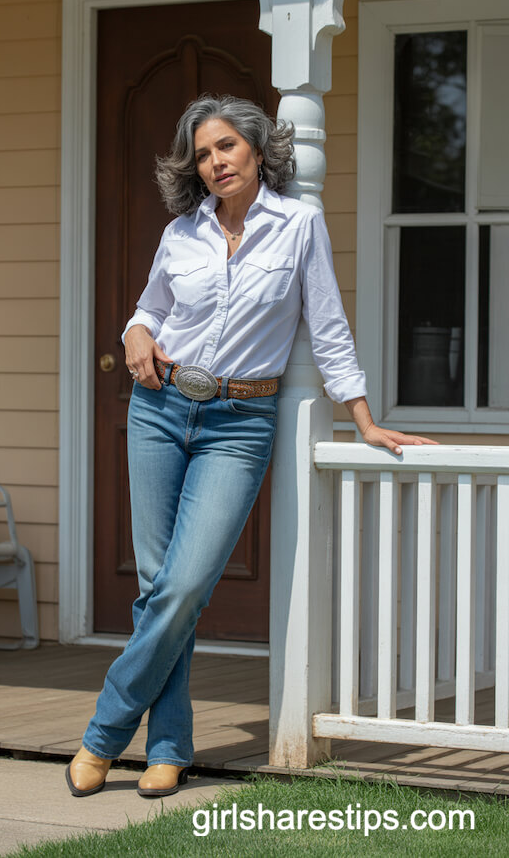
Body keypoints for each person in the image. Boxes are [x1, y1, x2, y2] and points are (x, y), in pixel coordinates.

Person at [65, 94, 438, 800]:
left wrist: (363, 418)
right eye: (203, 154)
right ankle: (168, 750)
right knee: (156, 589)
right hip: (158, 408)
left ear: (257, 151)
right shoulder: (182, 231)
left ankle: (103, 734)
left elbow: (326, 326)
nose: (214, 163)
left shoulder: (299, 225)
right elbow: (151, 308)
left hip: (240, 423)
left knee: (182, 586)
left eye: (226, 148)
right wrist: (135, 332)